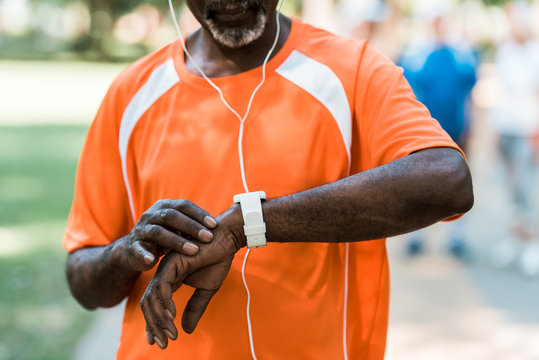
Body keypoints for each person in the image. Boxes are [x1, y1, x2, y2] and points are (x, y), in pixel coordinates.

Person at [63, 0, 473, 359]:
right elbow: (83, 280)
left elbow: (447, 180)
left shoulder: (353, 71)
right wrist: (125, 252)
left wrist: (247, 226)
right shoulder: (131, 94)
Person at [398, 8, 477, 260]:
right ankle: (416, 236)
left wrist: (469, 126)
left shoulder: (461, 55)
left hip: (454, 129)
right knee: (418, 182)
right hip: (423, 131)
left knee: (457, 183)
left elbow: (469, 95)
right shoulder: (415, 55)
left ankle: (456, 238)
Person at [489, 3, 539, 276]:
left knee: (524, 189)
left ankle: (531, 243)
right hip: (505, 127)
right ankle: (516, 238)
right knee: (510, 187)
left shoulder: (534, 53)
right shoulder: (505, 51)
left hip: (526, 128)